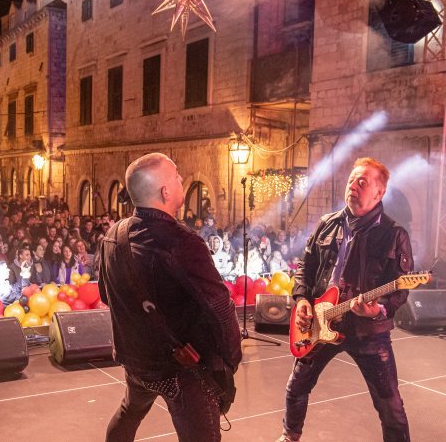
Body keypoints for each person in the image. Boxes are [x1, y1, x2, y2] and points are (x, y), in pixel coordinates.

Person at [98, 153, 242, 442]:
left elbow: (105, 294)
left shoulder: (114, 234)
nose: (181, 180)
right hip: (182, 367)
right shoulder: (183, 243)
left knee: (129, 413)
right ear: (165, 191)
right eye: (177, 176)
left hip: (136, 360)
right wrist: (230, 361)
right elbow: (220, 307)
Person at [277, 158, 412, 442]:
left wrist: (378, 310)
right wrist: (302, 299)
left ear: (379, 193)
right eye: (352, 179)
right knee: (296, 387)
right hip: (320, 321)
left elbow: (400, 290)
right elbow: (305, 267)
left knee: (390, 405)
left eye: (362, 182)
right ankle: (290, 436)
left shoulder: (394, 235)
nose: (353, 185)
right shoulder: (327, 224)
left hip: (369, 332)